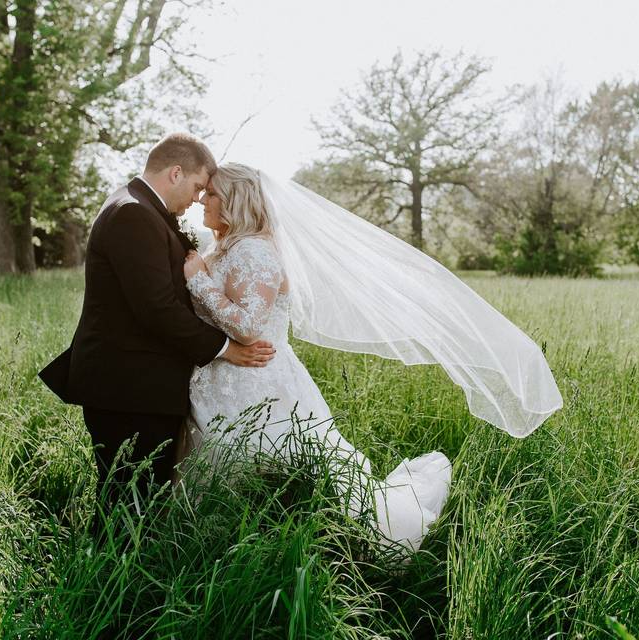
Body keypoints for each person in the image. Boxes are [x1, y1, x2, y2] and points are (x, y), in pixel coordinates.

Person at [180, 162, 563, 552]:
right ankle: (225, 546)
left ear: (234, 201)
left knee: (280, 472)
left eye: (211, 194)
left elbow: (247, 326)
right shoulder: (224, 247)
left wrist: (197, 280)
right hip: (227, 381)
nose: (202, 202)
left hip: (259, 384)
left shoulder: (256, 251)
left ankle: (327, 542)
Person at [38, 135, 275, 527]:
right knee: (129, 503)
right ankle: (113, 584)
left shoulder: (139, 207)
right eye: (198, 186)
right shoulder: (133, 213)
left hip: (136, 386)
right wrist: (224, 348)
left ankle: (122, 578)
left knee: (137, 500)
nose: (198, 199)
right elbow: (156, 308)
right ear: (175, 172)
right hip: (128, 388)